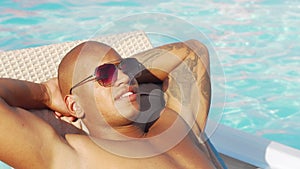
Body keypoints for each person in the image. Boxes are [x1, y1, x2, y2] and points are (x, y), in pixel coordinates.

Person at [0, 39, 225, 169]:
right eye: (105, 74)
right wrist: (45, 93)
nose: (126, 78)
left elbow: (192, 53)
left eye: (126, 68)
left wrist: (123, 69)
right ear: (74, 105)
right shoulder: (74, 157)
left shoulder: (175, 122)